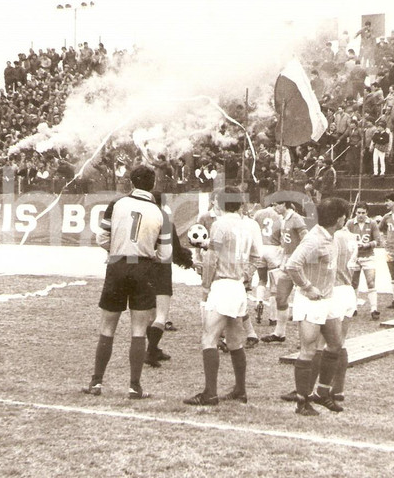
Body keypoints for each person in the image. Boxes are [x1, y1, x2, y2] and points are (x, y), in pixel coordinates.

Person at [82, 165, 171, 400]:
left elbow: (102, 237)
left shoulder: (117, 204)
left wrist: (120, 250)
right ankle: (134, 386)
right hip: (143, 269)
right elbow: (165, 254)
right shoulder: (160, 212)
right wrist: (148, 253)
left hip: (118, 265)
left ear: (131, 182)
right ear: (152, 185)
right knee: (139, 329)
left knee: (107, 327)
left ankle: (96, 382)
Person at [183, 186, 261, 406]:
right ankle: (240, 390)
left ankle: (210, 393)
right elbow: (256, 255)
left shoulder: (219, 224)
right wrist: (247, 274)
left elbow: (211, 258)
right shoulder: (247, 225)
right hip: (237, 286)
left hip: (223, 285)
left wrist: (206, 287)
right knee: (235, 340)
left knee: (209, 337)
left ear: (220, 203)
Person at [285, 197, 349, 416]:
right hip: (311, 301)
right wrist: (308, 287)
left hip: (328, 300)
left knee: (335, 344)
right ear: (338, 218)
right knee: (309, 350)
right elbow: (292, 265)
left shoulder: (332, 237)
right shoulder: (313, 239)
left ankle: (322, 393)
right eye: (343, 215)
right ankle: (302, 401)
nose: (345, 219)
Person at [144, 192, 194, 367]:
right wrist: (191, 262)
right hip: (162, 270)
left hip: (143, 269)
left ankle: (154, 348)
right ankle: (150, 351)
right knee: (161, 315)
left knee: (150, 313)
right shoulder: (165, 222)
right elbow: (176, 253)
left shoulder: (142, 220)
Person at [261, 201, 308, 343]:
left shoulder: (296, 218)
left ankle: (306, 339)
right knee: (280, 297)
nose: (274, 208)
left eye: (277, 205)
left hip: (298, 264)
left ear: (284, 204)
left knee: (304, 299)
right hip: (286, 263)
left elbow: (306, 240)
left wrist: (299, 259)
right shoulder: (283, 219)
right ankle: (279, 333)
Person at [345, 202, 381, 320]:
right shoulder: (350, 223)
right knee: (353, 283)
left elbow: (377, 241)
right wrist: (353, 246)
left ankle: (374, 309)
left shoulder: (372, 223)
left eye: (363, 213)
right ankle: (353, 307)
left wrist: (366, 245)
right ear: (355, 212)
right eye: (359, 212)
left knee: (370, 281)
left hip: (368, 256)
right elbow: (344, 239)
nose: (361, 215)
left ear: (367, 213)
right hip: (354, 257)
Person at [252, 200, 285, 324]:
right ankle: (273, 317)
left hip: (260, 248)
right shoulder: (280, 216)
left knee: (262, 279)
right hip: (274, 249)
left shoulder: (258, 214)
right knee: (274, 285)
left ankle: (259, 301)